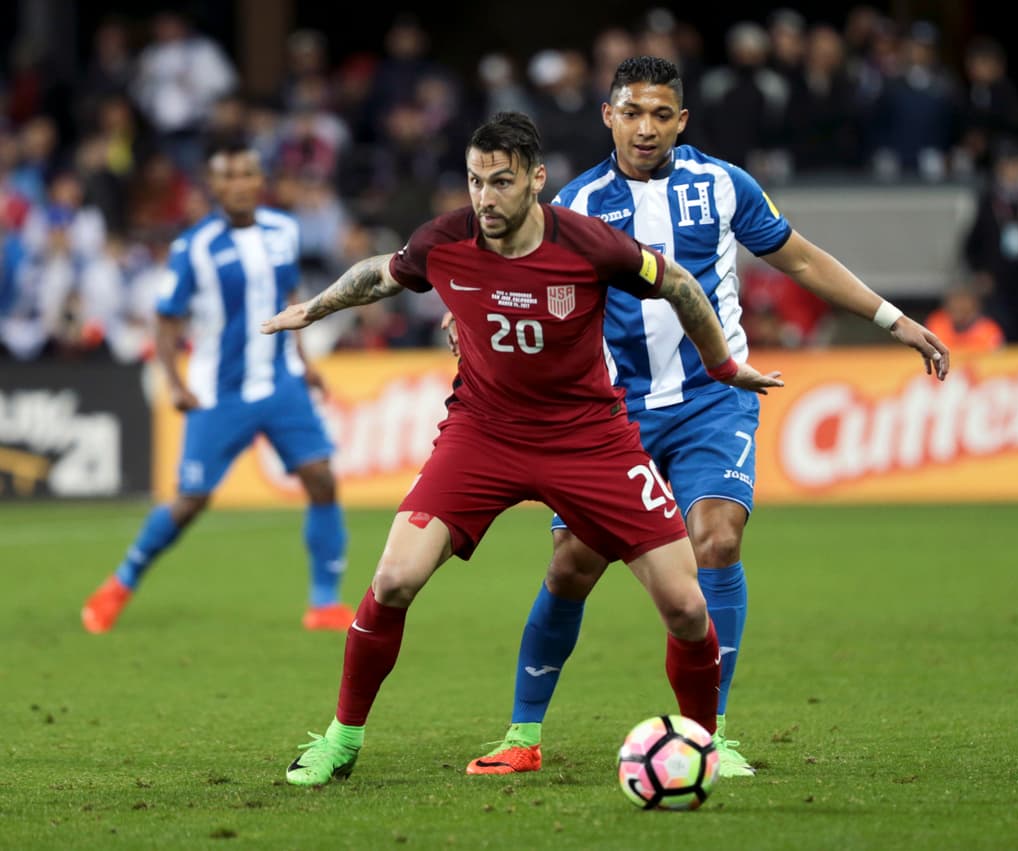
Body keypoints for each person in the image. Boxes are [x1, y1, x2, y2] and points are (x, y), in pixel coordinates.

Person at [456, 56, 949, 779]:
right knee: (572, 564)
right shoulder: (576, 204)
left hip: (713, 398)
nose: (646, 127)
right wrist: (463, 318)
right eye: (632, 112)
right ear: (608, 116)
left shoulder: (723, 184)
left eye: (661, 114)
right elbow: (513, 272)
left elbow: (802, 260)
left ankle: (705, 732)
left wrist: (892, 317)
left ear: (681, 120)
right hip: (612, 414)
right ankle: (522, 732)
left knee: (716, 538)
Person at [270, 111, 784, 787]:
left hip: (589, 438)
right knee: (393, 578)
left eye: (501, 182)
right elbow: (382, 274)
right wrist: (314, 308)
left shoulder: (590, 243)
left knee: (687, 606)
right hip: (483, 434)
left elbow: (681, 286)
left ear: (536, 181)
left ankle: (703, 744)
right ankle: (340, 737)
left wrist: (720, 366)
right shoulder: (445, 240)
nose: (485, 197)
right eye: (476, 181)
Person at [80, 141, 352, 634]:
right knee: (190, 500)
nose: (240, 183)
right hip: (219, 392)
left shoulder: (282, 231)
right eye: (229, 176)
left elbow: (290, 296)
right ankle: (120, 583)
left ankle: (324, 602)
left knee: (322, 478)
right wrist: (174, 383)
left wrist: (304, 360)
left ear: (258, 180)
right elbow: (165, 324)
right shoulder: (194, 247)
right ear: (215, 187)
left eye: (248, 173)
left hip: (281, 382)